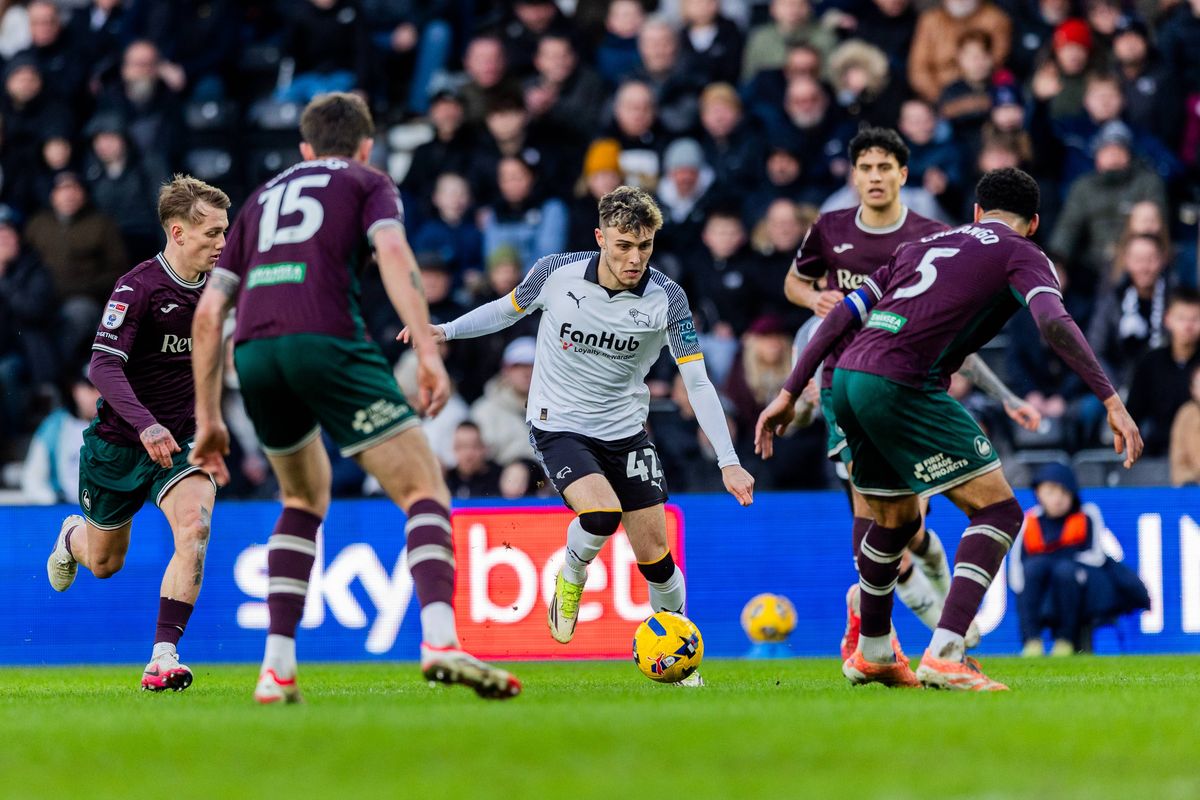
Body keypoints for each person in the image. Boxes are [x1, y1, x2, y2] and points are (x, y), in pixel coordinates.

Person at [189, 92, 520, 703]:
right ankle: (441, 639)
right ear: (366, 145)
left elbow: (208, 315)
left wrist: (208, 419)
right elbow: (393, 252)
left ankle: (277, 669)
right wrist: (425, 347)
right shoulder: (369, 181)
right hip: (326, 342)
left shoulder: (260, 198)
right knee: (424, 487)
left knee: (303, 496)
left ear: (305, 150)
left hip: (255, 353)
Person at [758, 166, 1143, 691]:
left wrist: (786, 393)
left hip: (846, 379)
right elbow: (1053, 322)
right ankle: (946, 651)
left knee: (891, 521)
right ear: (1033, 223)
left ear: (977, 213)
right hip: (903, 381)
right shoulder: (1023, 252)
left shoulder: (923, 243)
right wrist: (1110, 398)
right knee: (1001, 510)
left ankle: (873, 652)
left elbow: (842, 315)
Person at [402, 186, 755, 686]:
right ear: (600, 238)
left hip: (627, 432)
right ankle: (571, 574)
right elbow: (507, 309)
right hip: (558, 422)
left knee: (657, 560)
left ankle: (677, 666)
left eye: (645, 246)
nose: (635, 258)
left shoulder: (668, 299)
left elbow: (696, 381)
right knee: (601, 513)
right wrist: (445, 330)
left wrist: (728, 460)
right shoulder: (555, 272)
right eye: (622, 245)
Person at [783, 128, 1037, 658]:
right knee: (876, 514)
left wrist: (1005, 394)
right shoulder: (828, 229)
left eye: (885, 167)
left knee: (904, 522)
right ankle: (905, 630)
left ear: (903, 174)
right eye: (865, 168)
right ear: (853, 176)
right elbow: (794, 284)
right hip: (840, 381)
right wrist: (813, 301)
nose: (874, 177)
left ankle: (901, 618)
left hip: (910, 378)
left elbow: (955, 336)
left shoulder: (932, 234)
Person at [45, 175, 231, 693]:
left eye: (224, 232)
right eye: (212, 233)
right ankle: (69, 536)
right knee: (105, 564)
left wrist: (214, 426)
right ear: (178, 232)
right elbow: (103, 366)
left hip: (180, 445)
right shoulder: (139, 286)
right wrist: (144, 422)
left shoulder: (223, 290)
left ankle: (163, 656)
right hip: (119, 444)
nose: (222, 243)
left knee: (194, 528)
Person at [1010, 463, 1150, 655]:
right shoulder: (1030, 521)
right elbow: (1017, 568)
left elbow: (1096, 557)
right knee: (1033, 570)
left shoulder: (1087, 514)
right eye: (1050, 492)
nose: (1057, 499)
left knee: (1065, 572)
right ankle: (1032, 641)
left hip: (1084, 584)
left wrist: (1060, 561)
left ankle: (1065, 640)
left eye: (1063, 492)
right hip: (1042, 588)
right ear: (1039, 493)